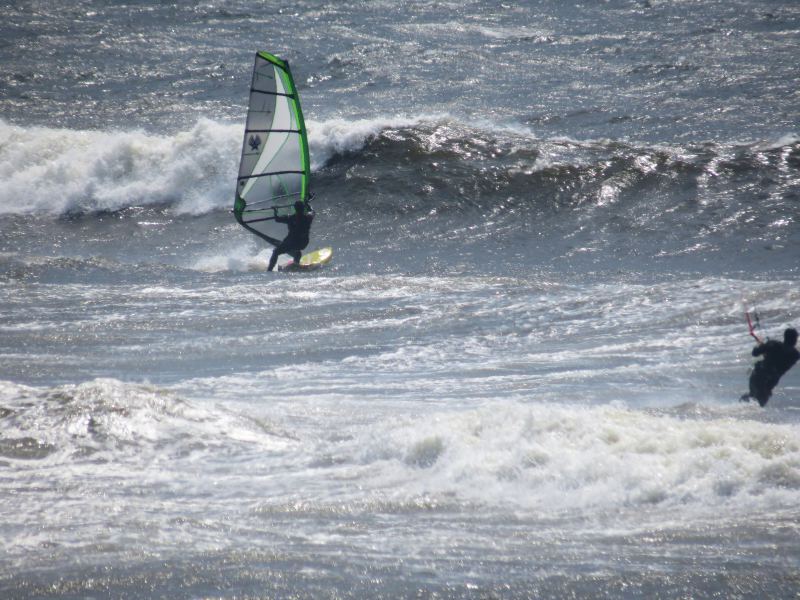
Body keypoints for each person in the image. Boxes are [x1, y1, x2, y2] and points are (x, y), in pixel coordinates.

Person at [740, 328, 799, 406]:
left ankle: (735, 408)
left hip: (757, 376)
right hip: (768, 382)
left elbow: (755, 353)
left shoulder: (773, 344)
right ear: (794, 340)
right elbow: (781, 362)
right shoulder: (795, 355)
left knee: (752, 397)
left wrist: (760, 345)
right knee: (758, 403)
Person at [267, 199, 314, 271]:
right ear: (303, 208)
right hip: (303, 243)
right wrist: (308, 205)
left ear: (295, 208)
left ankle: (269, 270)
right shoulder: (308, 218)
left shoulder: (290, 218)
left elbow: (277, 219)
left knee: (276, 252)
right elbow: (312, 211)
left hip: (291, 243)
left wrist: (275, 211)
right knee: (297, 253)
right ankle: (296, 265)